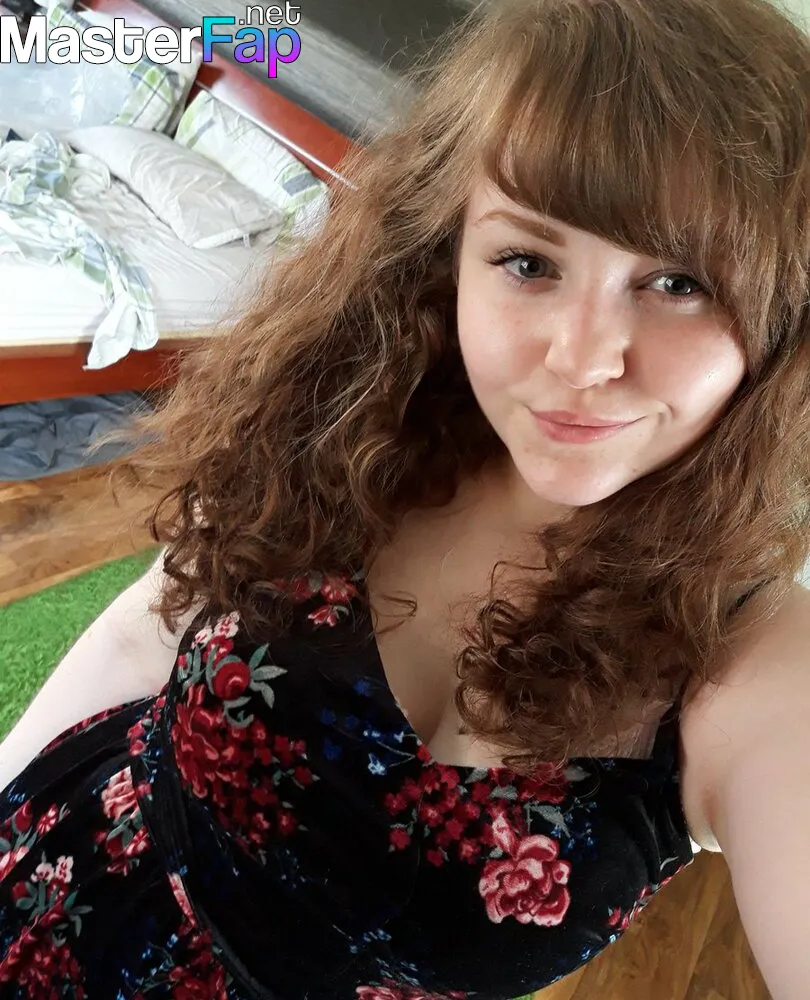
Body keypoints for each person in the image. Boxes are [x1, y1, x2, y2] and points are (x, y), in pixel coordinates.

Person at [1, 0, 809, 995]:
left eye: (679, 282)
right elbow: (149, 630)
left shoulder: (754, 665)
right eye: (528, 262)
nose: (583, 359)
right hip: (53, 886)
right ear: (449, 254)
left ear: (782, 313)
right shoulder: (355, 425)